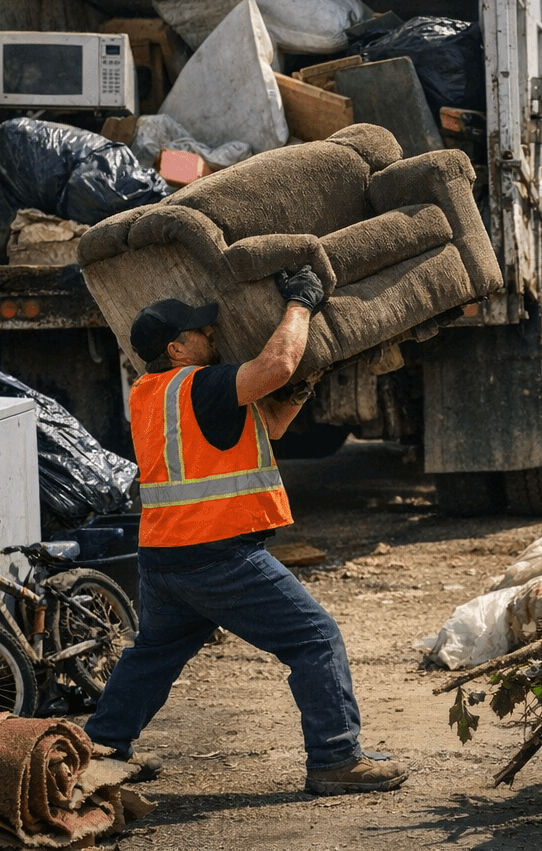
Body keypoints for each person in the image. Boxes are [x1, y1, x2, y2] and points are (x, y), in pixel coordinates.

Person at [83, 266, 408, 796]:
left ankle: (102, 749)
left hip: (165, 558)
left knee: (152, 656)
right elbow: (276, 364)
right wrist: (300, 303)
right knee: (314, 638)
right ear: (176, 347)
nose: (211, 334)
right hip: (217, 556)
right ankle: (335, 758)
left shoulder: (150, 393)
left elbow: (270, 426)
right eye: (199, 331)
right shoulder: (203, 384)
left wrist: (303, 386)